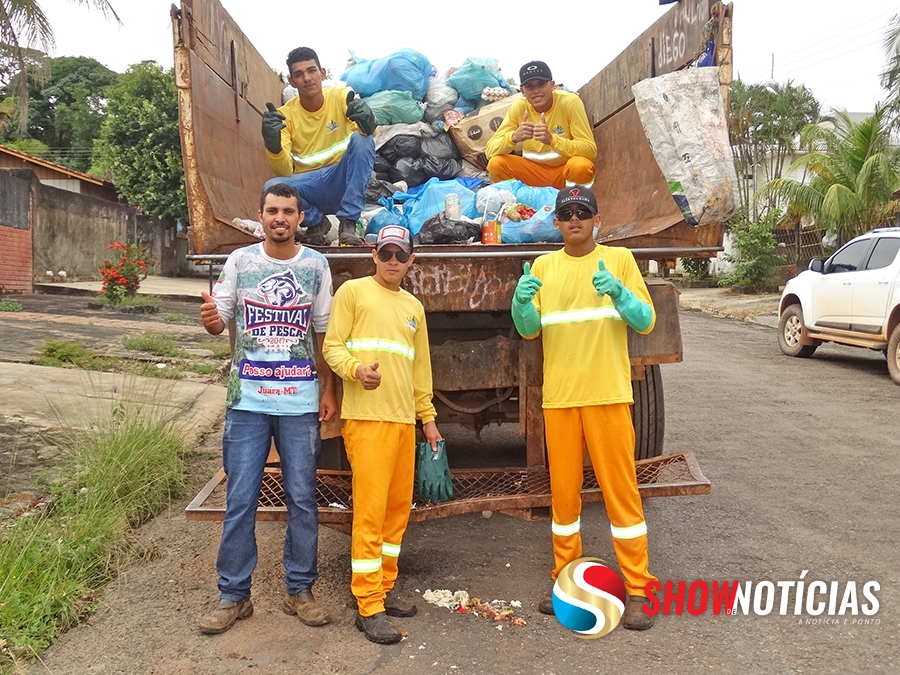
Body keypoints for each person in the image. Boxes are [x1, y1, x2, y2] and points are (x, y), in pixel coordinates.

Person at [511, 186, 658, 631]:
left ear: (597, 219)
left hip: (609, 397)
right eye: (566, 213)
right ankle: (565, 584)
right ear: (556, 222)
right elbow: (529, 330)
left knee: (622, 497)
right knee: (564, 501)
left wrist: (621, 295)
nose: (574, 219)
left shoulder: (620, 261)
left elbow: (646, 321)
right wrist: (521, 302)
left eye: (583, 212)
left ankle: (639, 590)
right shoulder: (543, 266)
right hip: (559, 400)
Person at [197, 182, 337, 635]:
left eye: (288, 211)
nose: (280, 218)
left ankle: (300, 589)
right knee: (240, 499)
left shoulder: (316, 265)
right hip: (247, 402)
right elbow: (219, 320)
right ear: (261, 217)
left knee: (301, 499)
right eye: (272, 211)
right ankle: (233, 595)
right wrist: (213, 321)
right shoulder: (241, 261)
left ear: (300, 218)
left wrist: (329, 390)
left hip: (299, 401)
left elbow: (322, 333)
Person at [322, 225, 443, 645]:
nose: (393, 260)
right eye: (386, 252)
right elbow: (333, 347)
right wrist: (357, 371)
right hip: (367, 422)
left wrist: (427, 418)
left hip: (403, 422)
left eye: (400, 254)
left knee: (396, 513)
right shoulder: (352, 293)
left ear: (412, 259)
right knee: (370, 515)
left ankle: (384, 588)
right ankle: (368, 605)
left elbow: (419, 370)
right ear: (373, 254)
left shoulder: (414, 307)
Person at [261, 46, 378, 247]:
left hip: (341, 182)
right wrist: (273, 146)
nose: (307, 78)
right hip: (309, 188)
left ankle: (348, 223)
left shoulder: (340, 96)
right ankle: (316, 222)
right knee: (271, 188)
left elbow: (367, 138)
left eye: (311, 70)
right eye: (299, 74)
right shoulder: (285, 115)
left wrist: (368, 123)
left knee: (363, 139)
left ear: (322, 73)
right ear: (292, 81)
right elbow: (284, 171)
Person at [485, 61, 597, 189]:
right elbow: (490, 151)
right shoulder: (520, 107)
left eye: (541, 84)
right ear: (522, 91)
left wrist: (552, 140)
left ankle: (573, 204)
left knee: (581, 166)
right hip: (533, 176)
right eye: (529, 87)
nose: (536, 91)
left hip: (563, 172)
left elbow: (590, 150)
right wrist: (514, 137)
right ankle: (519, 205)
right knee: (496, 163)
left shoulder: (570, 102)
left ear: (552, 85)